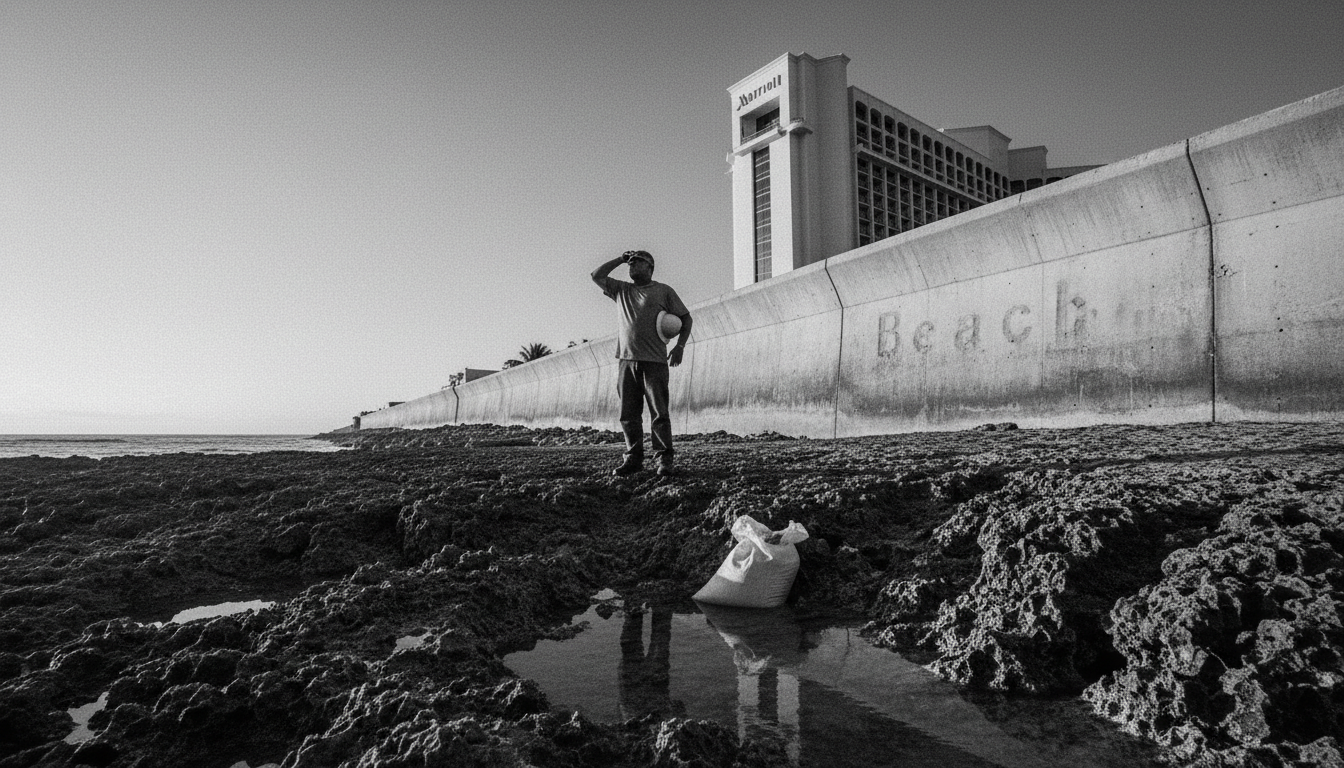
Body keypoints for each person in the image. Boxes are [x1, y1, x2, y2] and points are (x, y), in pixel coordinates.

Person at [591, 250, 693, 477]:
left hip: (655, 361)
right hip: (626, 360)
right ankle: (633, 459)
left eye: (637, 262)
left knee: (659, 413)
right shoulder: (622, 290)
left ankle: (664, 459)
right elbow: (596, 276)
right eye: (630, 263)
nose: (632, 265)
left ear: (650, 267)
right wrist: (619, 259)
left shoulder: (664, 291)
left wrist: (680, 346)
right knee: (628, 414)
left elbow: (686, 319)